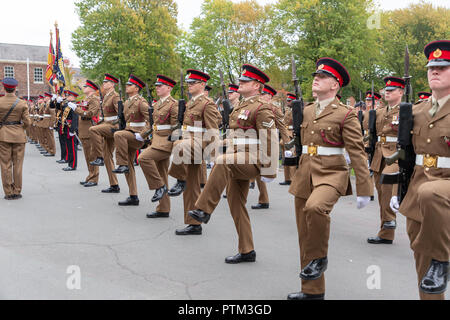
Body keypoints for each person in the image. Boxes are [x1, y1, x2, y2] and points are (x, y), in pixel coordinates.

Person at [287, 58, 373, 300]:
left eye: (323, 77)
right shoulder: (305, 110)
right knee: (304, 232)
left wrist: (365, 188)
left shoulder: (345, 114)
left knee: (316, 209)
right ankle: (312, 291)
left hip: (332, 173)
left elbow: (357, 152)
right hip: (305, 174)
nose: (316, 78)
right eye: (316, 75)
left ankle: (320, 257)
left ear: (335, 85)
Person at [187, 64, 279, 262]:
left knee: (224, 161)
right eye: (241, 80)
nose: (241, 83)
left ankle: (203, 209)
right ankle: (247, 250)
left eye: (245, 81)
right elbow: (236, 135)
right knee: (235, 204)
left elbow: (270, 138)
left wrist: (270, 170)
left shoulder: (261, 108)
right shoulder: (240, 106)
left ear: (257, 85)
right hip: (237, 156)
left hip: (252, 158)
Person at [392, 39, 450, 300]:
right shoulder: (415, 111)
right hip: (417, 191)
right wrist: (397, 190)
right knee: (423, 266)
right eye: (431, 68)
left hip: (443, 189)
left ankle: (442, 259)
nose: (434, 71)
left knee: (431, 193)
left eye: (443, 67)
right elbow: (405, 157)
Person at [167, 69, 222, 235]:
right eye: (189, 83)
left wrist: (211, 154)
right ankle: (194, 224)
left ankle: (179, 179)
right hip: (188, 143)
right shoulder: (190, 103)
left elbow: (213, 131)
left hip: (198, 145)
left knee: (178, 146)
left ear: (202, 85)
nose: (189, 85)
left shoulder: (207, 104)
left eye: (193, 83)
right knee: (191, 188)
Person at [367, 76, 404, 245]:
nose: (387, 93)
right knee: (381, 192)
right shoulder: (380, 111)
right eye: (386, 90)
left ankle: (389, 220)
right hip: (378, 155)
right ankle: (386, 233)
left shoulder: (406, 110)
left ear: (401, 92)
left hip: (396, 155)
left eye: (391, 90)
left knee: (388, 185)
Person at [137, 74, 178, 218]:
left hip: (165, 143)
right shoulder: (157, 104)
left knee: (143, 158)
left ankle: (159, 187)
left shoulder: (174, 104)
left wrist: (171, 143)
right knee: (162, 174)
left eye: (160, 86)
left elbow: (176, 126)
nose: (157, 88)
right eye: (157, 86)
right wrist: (142, 135)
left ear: (168, 88)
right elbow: (152, 123)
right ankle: (163, 208)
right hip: (156, 140)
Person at [252, 84, 291, 210]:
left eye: (263, 94)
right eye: (260, 94)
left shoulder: (274, 109)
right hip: (253, 141)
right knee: (256, 171)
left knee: (261, 171)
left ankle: (263, 199)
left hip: (268, 142)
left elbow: (282, 127)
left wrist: (287, 144)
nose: (261, 96)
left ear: (269, 96)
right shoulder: (255, 106)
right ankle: (262, 198)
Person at [113, 74, 150, 206]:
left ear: (136, 88)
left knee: (119, 135)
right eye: (127, 85)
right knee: (129, 166)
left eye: (130, 85)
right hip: (128, 133)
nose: (126, 87)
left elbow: (151, 120)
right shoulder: (127, 102)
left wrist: (143, 134)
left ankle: (121, 164)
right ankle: (133, 196)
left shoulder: (141, 102)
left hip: (136, 136)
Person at [89, 74, 121, 193]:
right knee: (108, 157)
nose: (104, 84)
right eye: (104, 82)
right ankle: (114, 185)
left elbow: (120, 114)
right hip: (107, 125)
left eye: (107, 82)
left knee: (93, 130)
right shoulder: (107, 96)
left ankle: (99, 157)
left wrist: (116, 127)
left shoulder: (115, 96)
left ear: (112, 84)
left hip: (112, 126)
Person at [0, 78, 30, 200]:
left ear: (3, 88)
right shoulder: (22, 103)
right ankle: (17, 190)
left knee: (5, 164)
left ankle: (8, 192)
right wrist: (20, 128)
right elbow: (27, 121)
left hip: (3, 135)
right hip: (18, 135)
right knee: (18, 164)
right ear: (15, 88)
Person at [71, 80, 101, 187]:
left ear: (92, 89)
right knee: (87, 156)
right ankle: (90, 176)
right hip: (84, 131)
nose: (84, 87)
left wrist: (76, 109)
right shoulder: (87, 99)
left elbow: (90, 113)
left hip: (90, 130)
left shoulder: (94, 100)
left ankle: (94, 178)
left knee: (92, 156)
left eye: (86, 86)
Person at [279, 93, 297, 186]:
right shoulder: (288, 110)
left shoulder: (295, 110)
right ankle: (287, 178)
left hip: (291, 134)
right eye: (287, 100)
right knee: (285, 157)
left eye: (289, 101)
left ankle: (293, 179)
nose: (287, 102)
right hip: (285, 134)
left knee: (291, 156)